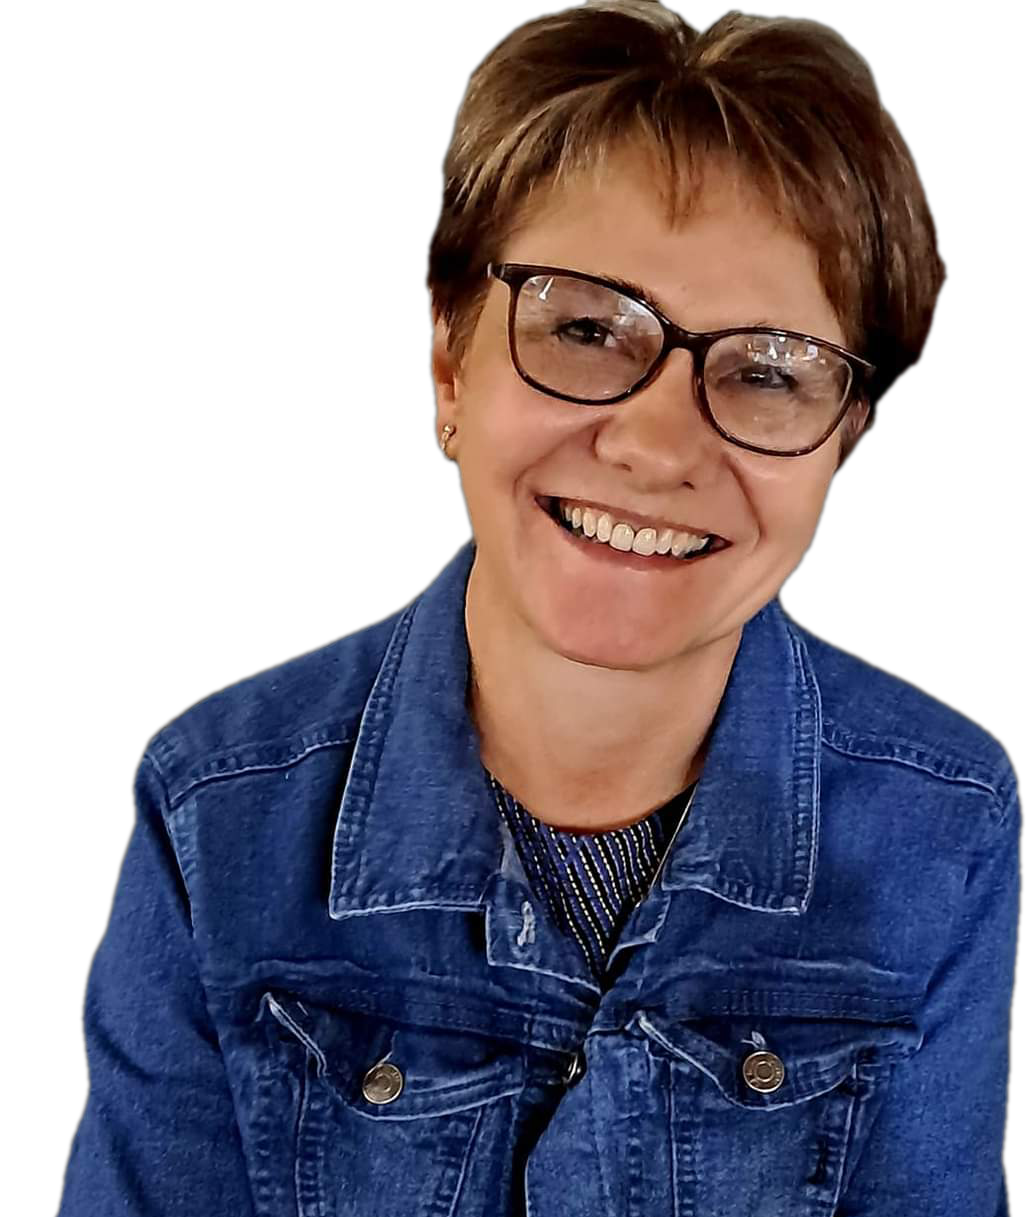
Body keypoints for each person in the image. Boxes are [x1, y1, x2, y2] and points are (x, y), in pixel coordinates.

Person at [60, 3, 1020, 1215]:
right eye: (584, 328)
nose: (655, 444)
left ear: (845, 437)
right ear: (448, 360)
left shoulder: (945, 822)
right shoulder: (215, 810)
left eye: (768, 370)